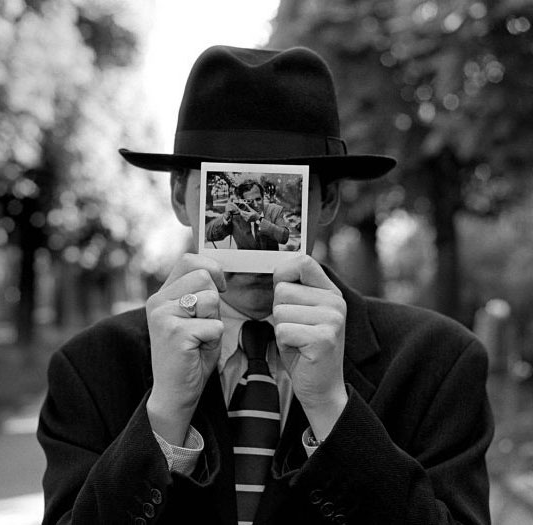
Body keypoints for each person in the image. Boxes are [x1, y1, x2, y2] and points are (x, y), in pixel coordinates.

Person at [38, 45, 493, 525]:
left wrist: (333, 412)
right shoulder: (89, 369)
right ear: (178, 195)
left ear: (328, 199)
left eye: (279, 187)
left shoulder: (440, 362)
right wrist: (164, 416)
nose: (254, 265)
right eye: (236, 183)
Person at [206, 180, 290, 250]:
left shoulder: (275, 210)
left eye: (258, 199)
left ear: (263, 197)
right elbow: (210, 236)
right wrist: (225, 220)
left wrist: (259, 219)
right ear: (242, 201)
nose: (256, 204)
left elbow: (284, 237)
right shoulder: (236, 214)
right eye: (250, 201)